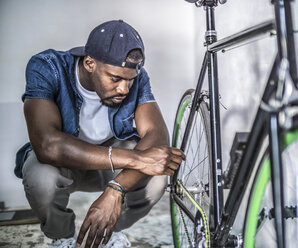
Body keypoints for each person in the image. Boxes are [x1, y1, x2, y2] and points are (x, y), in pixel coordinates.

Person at [14, 20, 185, 248]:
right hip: (63, 161)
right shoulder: (47, 67)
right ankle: (62, 237)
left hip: (110, 167)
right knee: (40, 176)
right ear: (89, 63)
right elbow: (48, 145)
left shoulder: (138, 78)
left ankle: (109, 233)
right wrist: (137, 159)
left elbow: (156, 134)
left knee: (156, 179)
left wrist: (116, 189)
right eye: (115, 78)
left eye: (130, 80)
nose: (124, 89)